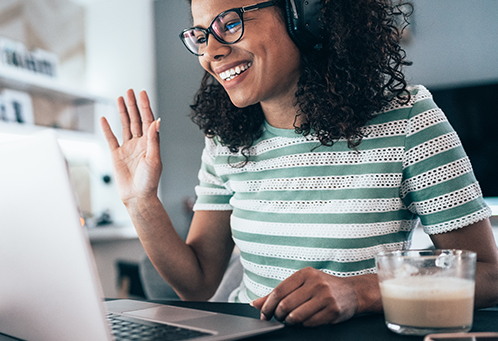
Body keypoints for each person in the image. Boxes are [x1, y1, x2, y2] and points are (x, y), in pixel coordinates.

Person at [100, 0, 498, 327]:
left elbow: (489, 276)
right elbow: (199, 284)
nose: (211, 52)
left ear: (306, 15)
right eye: (201, 36)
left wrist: (361, 292)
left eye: (229, 23)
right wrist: (141, 201)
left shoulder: (409, 120)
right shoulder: (225, 141)